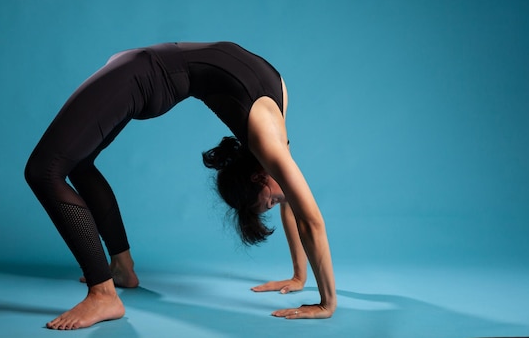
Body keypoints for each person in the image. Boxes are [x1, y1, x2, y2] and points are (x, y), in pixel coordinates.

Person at [24, 41, 336, 330]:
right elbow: (310, 221)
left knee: (60, 166)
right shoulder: (269, 142)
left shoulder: (274, 122)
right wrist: (327, 303)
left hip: (144, 71)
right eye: (270, 203)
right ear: (258, 177)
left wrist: (300, 275)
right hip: (142, 74)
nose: (280, 202)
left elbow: (296, 205)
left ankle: (111, 282)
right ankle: (112, 281)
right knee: (53, 168)